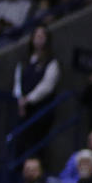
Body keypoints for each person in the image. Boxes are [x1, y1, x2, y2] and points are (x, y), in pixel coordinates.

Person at [12, 25, 60, 157]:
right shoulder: (24, 60)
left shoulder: (51, 62)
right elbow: (17, 82)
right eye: (36, 36)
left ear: (47, 39)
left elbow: (47, 86)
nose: (39, 39)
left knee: (37, 144)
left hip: (41, 110)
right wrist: (20, 99)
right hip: (23, 109)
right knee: (19, 143)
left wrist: (29, 99)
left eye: (42, 36)